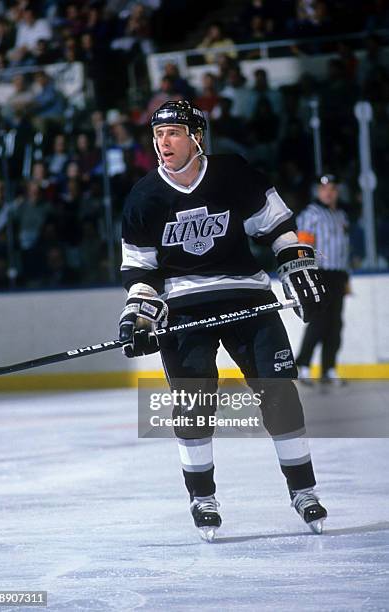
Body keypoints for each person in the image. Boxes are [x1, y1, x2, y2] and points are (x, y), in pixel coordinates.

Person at [118, 100, 328, 541]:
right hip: (185, 309)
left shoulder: (232, 173)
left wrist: (297, 266)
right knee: (193, 406)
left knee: (280, 394)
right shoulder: (143, 196)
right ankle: (202, 497)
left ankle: (303, 490)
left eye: (173, 132)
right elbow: (141, 271)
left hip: (247, 298)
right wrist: (139, 312)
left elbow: (275, 227)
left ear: (197, 136)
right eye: (158, 135)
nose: (164, 142)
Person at [296, 174, 350, 384]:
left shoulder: (341, 215)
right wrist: (306, 275)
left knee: (335, 324)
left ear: (337, 191)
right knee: (318, 322)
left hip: (337, 274)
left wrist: (346, 278)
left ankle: (328, 368)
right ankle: (304, 365)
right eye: (324, 188)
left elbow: (343, 249)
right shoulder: (311, 214)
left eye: (332, 189)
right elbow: (303, 247)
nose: (328, 193)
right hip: (319, 273)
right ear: (317, 191)